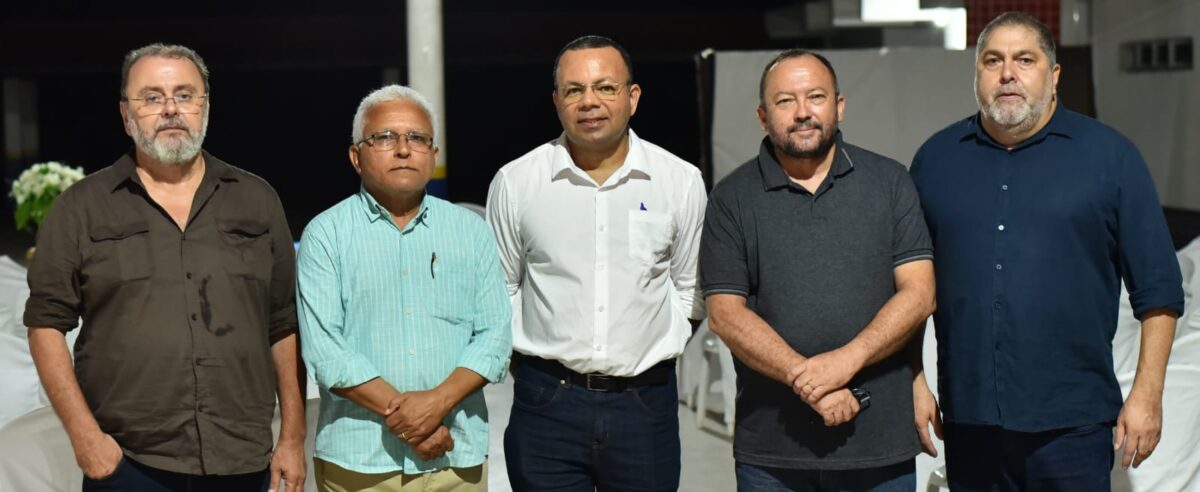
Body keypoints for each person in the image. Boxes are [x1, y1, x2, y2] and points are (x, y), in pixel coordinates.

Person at [909, 12, 1185, 490]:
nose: (1007, 73)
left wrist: (1148, 394)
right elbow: (908, 287)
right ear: (977, 75)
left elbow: (1158, 289)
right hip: (969, 418)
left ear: (1053, 75)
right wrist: (913, 379)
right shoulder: (935, 160)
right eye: (992, 60)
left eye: (1025, 60)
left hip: (1073, 423)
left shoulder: (1110, 158)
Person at [24, 43, 306, 491]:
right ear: (125, 114)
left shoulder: (256, 199)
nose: (171, 109)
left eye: (185, 95)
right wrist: (86, 440)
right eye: (152, 97)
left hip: (241, 456)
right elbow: (45, 325)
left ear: (205, 107)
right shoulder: (81, 207)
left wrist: (292, 438)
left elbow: (282, 324)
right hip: (129, 461)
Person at [700, 49, 936, 491]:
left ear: (839, 106)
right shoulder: (731, 198)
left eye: (816, 97)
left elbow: (920, 294)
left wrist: (845, 362)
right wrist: (812, 381)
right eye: (785, 101)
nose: (803, 112)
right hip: (772, 451)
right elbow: (725, 314)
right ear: (762, 116)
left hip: (880, 441)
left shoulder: (890, 183)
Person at [486, 35, 706, 491]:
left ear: (633, 97)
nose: (589, 102)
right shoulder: (517, 182)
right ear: (556, 101)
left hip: (645, 405)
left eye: (605, 88)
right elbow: (501, 288)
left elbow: (689, 286)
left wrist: (661, 348)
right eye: (574, 90)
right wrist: (528, 368)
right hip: (546, 403)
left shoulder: (679, 181)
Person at [297, 84, 511, 492]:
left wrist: (437, 404)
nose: (402, 149)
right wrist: (417, 425)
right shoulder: (326, 234)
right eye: (384, 137)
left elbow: (494, 338)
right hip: (359, 464)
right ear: (356, 156)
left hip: (455, 462)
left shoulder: (471, 232)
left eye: (417, 138)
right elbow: (327, 352)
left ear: (433, 154)